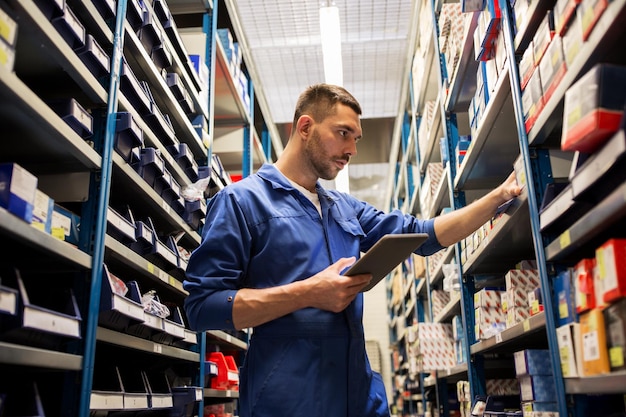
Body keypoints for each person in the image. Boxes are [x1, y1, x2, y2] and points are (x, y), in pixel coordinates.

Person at [183, 83, 521, 417]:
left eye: (356, 139)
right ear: (305, 127)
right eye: (343, 133)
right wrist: (308, 293)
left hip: (357, 397)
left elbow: (423, 234)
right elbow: (202, 307)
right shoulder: (241, 202)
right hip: (287, 400)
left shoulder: (344, 208)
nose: (352, 150)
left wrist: (496, 198)